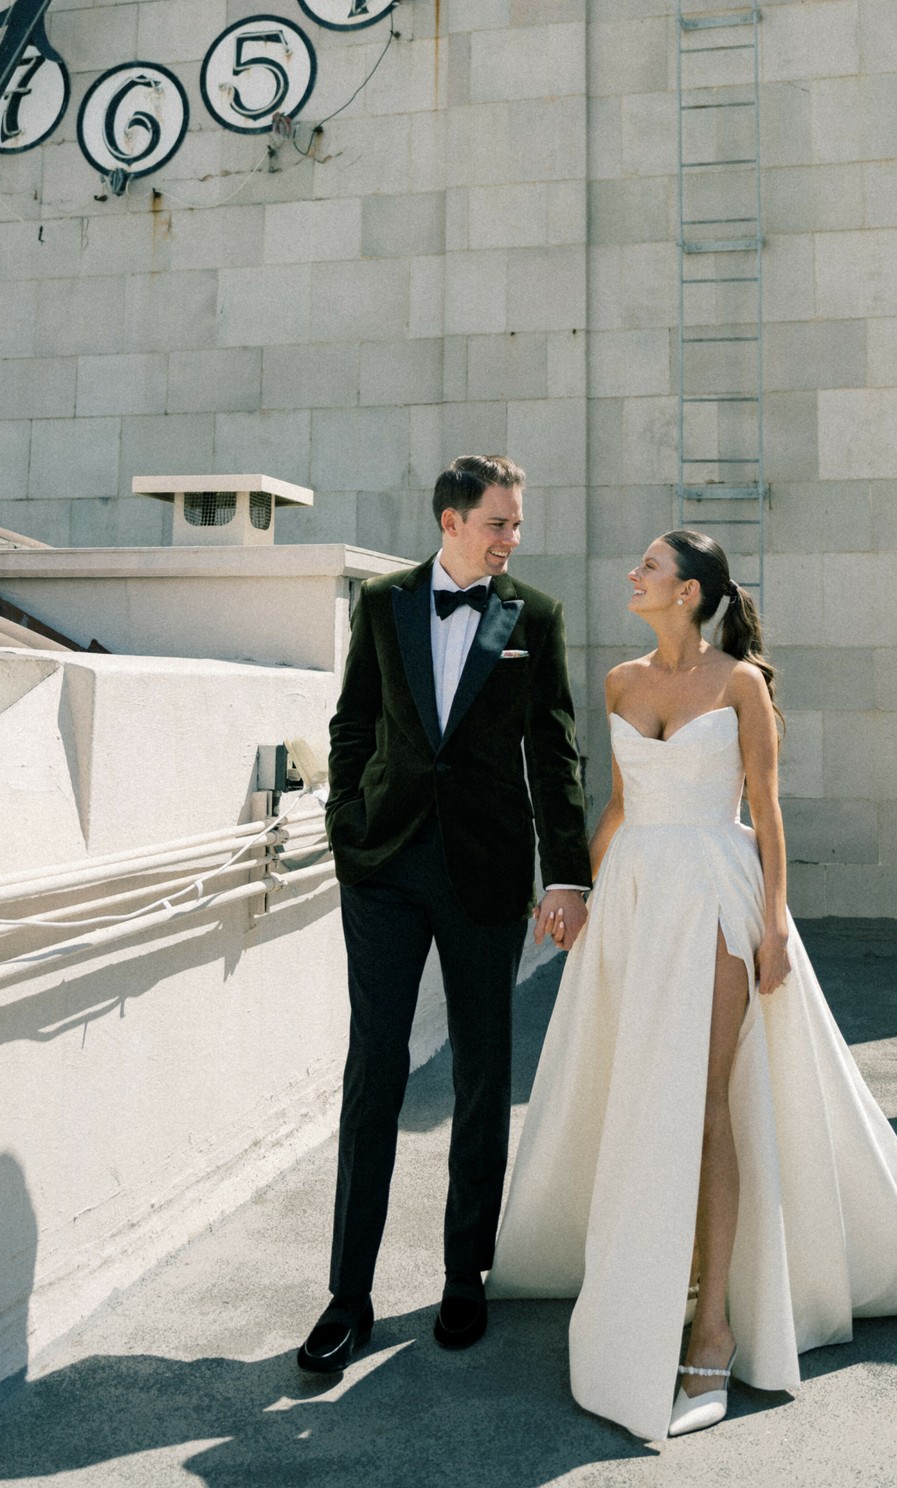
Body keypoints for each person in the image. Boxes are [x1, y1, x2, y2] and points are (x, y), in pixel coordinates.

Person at [489, 529, 897, 1442]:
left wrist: (777, 922)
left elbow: (766, 807)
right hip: (634, 893)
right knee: (639, 1094)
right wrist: (578, 894)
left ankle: (713, 1332)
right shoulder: (621, 682)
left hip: (715, 892)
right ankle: (653, 1285)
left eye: (651, 568)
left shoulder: (740, 684)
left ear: (692, 592)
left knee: (706, 1102)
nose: (634, 575)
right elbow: (622, 803)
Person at [297, 454, 592, 1377]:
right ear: (451, 521)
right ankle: (348, 1297)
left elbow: (556, 753)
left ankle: (465, 1273)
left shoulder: (533, 618)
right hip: (383, 867)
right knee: (374, 1068)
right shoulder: (382, 604)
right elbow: (354, 724)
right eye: (499, 523)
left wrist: (568, 877)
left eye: (516, 524)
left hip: (486, 873)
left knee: (481, 1072)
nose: (513, 539)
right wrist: (350, 828)